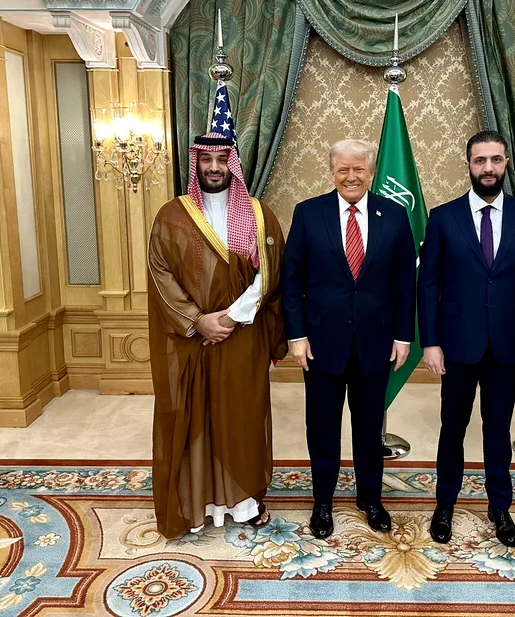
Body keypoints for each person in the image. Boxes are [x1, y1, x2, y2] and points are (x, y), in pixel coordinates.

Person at [147, 132, 287, 539]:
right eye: (206, 159)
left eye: (222, 159)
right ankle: (197, 504)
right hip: (190, 339)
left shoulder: (260, 214)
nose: (213, 167)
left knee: (241, 417)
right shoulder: (172, 215)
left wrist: (230, 318)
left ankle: (243, 503)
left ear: (233, 165)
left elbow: (271, 273)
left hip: (243, 337)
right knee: (195, 417)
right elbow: (160, 274)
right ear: (196, 163)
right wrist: (197, 320)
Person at [418, 130, 515, 547]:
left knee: (498, 429)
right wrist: (430, 342)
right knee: (452, 429)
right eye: (480, 161)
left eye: (495, 159)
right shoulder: (443, 217)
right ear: (468, 165)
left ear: (506, 162)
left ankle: (500, 507)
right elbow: (428, 285)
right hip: (457, 345)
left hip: (507, 346)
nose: (488, 168)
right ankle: (445, 504)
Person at [282, 139, 416, 539]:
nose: (351, 176)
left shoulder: (394, 215)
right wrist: (296, 336)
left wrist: (403, 336)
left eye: (359, 169)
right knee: (322, 427)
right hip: (321, 343)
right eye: (343, 169)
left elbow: (405, 282)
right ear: (332, 172)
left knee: (369, 427)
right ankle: (322, 501)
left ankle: (370, 499)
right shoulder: (308, 213)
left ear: (371, 172)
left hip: (376, 342)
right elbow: (292, 280)